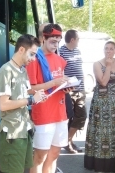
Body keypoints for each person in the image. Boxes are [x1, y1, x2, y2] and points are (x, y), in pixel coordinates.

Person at [0, 34, 47, 173]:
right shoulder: (6, 71)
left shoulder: (22, 70)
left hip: (24, 130)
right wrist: (31, 100)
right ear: (21, 50)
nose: (33, 59)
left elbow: (24, 91)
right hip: (12, 134)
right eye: (32, 54)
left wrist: (38, 94)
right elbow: (3, 105)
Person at [26, 23, 71, 173]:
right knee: (40, 156)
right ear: (43, 39)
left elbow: (58, 86)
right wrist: (53, 83)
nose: (56, 45)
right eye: (53, 41)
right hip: (44, 113)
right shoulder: (34, 59)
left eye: (58, 41)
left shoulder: (60, 60)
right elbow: (30, 89)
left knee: (55, 154)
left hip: (60, 113)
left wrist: (67, 88)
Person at [84, 41, 115, 172]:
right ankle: (101, 163)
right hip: (101, 103)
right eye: (106, 49)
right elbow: (104, 82)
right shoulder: (97, 64)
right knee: (102, 132)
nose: (108, 51)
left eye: (111, 49)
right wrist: (108, 65)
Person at [59, 29, 87, 154]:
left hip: (80, 89)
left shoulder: (78, 51)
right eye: (78, 39)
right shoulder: (61, 52)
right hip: (68, 90)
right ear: (72, 40)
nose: (79, 41)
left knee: (81, 115)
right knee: (69, 117)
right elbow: (59, 72)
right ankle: (68, 142)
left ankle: (68, 140)